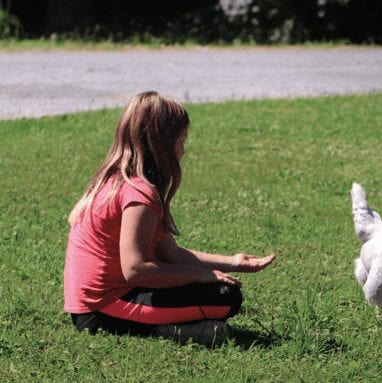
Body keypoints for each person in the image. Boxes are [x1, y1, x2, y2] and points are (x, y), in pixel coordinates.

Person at [63, 91, 275, 347]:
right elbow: (136, 270)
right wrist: (197, 275)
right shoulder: (140, 194)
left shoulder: (114, 181)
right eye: (182, 140)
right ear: (161, 143)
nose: (184, 149)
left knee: (221, 290)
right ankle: (171, 330)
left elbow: (171, 254)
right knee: (225, 297)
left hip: (93, 304)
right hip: (102, 310)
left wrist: (233, 263)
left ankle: (173, 323)